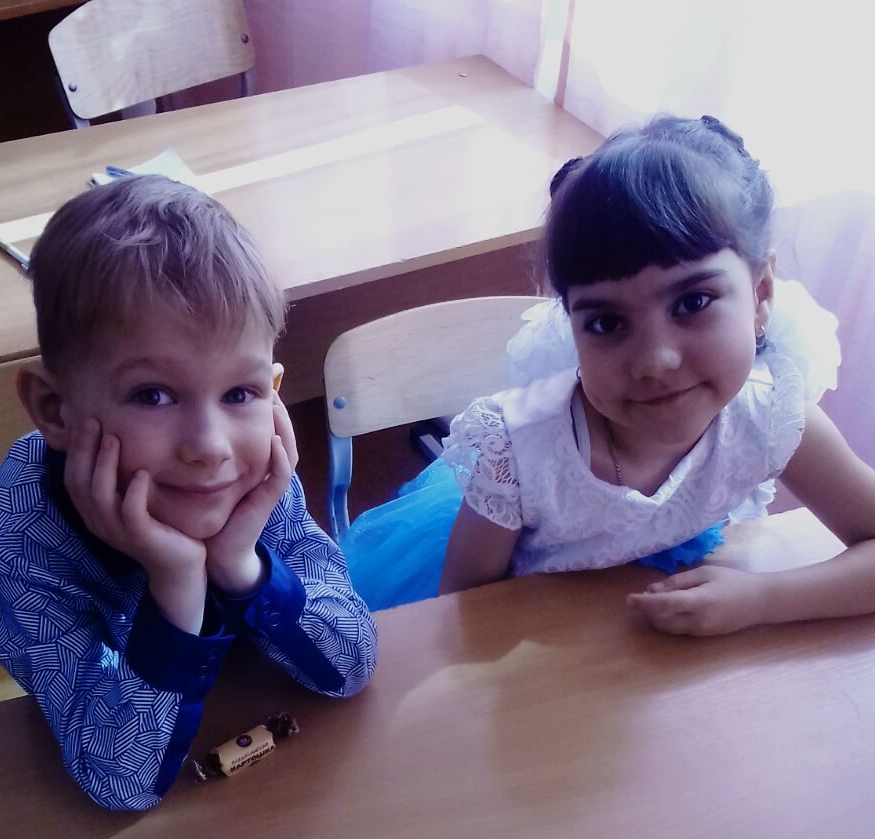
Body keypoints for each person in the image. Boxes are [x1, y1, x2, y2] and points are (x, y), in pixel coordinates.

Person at [342, 114, 875, 634]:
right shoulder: (519, 454)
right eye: (606, 322)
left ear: (760, 295)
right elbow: (463, 620)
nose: (654, 360)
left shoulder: (772, 413)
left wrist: (761, 600)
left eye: (692, 301)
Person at [0, 175, 378, 811]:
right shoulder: (16, 538)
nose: (210, 446)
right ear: (53, 408)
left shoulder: (253, 479)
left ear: (272, 389)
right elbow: (121, 781)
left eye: (240, 393)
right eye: (152, 395)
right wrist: (176, 584)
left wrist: (242, 566)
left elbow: (351, 665)